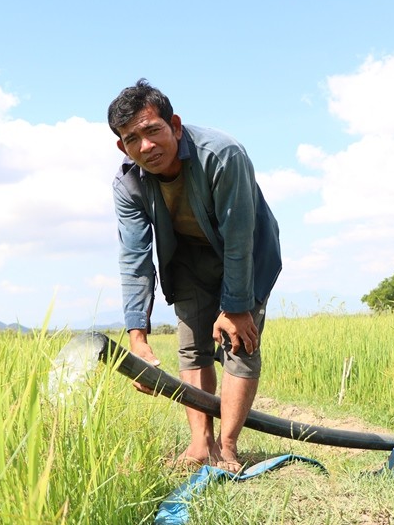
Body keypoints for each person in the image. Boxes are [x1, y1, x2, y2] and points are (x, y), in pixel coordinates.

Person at [107, 79, 281, 472]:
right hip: (186, 260)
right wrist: (137, 336)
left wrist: (236, 308)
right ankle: (200, 444)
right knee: (192, 348)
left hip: (246, 254)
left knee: (240, 344)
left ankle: (229, 447)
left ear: (176, 126)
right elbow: (135, 256)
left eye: (153, 130)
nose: (146, 146)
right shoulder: (127, 183)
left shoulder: (222, 155)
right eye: (132, 138)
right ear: (123, 146)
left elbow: (239, 239)